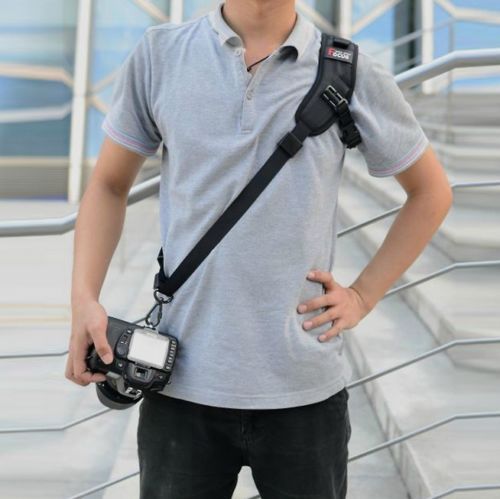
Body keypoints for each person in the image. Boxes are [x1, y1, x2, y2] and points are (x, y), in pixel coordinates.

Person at [65, 0, 453, 497]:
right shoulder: (160, 54)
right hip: (180, 385)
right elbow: (108, 185)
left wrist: (363, 295)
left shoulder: (348, 71)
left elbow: (431, 192)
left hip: (304, 392)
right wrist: (84, 299)